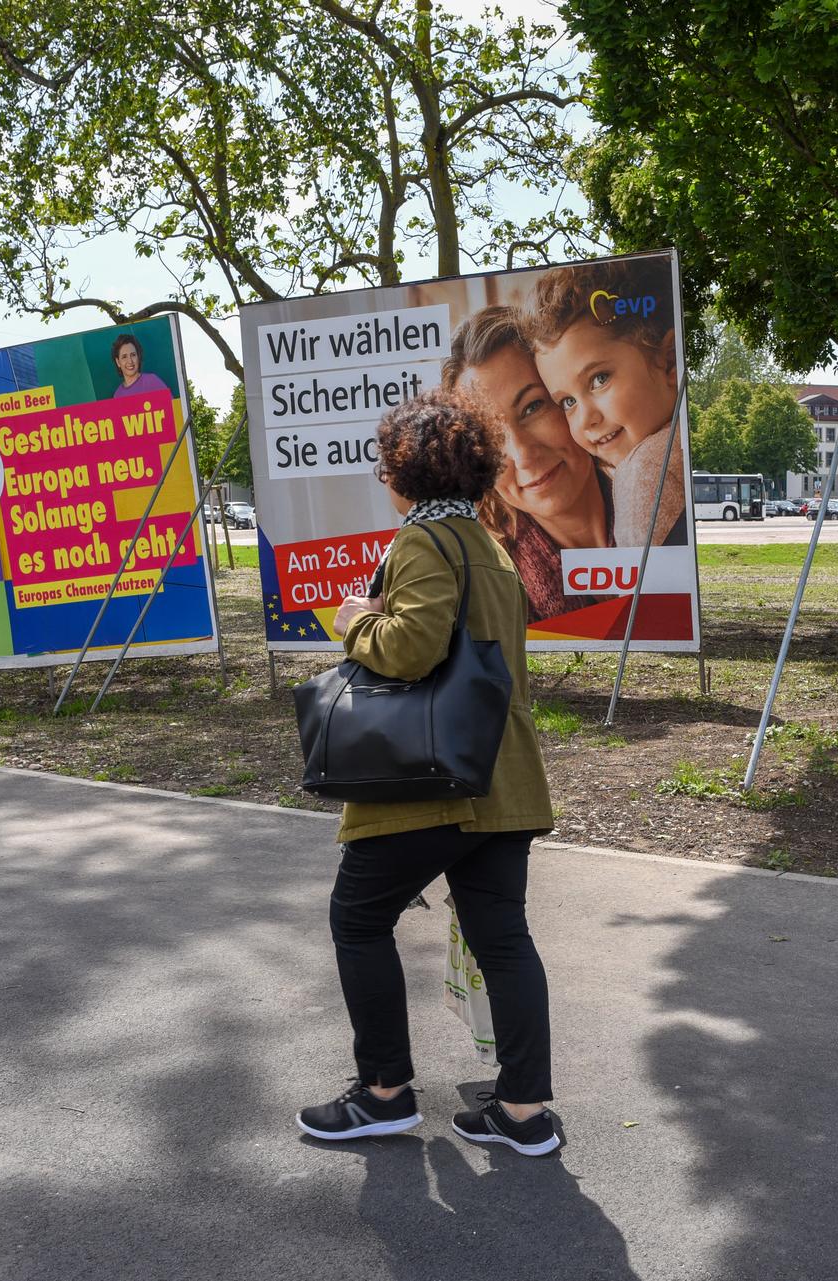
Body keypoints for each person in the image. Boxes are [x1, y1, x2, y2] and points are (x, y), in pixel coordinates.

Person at [296, 390, 562, 1157]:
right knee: (502, 938)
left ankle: (382, 1093)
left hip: (426, 783)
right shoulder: (489, 544)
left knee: (357, 919)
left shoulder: (422, 544)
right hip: (499, 777)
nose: (384, 478)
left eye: (387, 465)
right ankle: (521, 1111)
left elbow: (410, 649)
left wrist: (352, 619)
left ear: (404, 471)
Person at [441, 306, 611, 623]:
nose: (522, 455)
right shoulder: (484, 588)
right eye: (489, 437)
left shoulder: (652, 501)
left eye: (533, 407)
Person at [521, 259, 689, 549]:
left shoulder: (645, 472)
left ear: (670, 360)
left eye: (599, 379)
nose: (586, 420)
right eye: (568, 401)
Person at [111, 333, 170, 398]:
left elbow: (171, 406)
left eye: (133, 355)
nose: (130, 361)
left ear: (138, 357)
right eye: (124, 357)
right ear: (118, 362)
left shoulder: (152, 381)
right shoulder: (118, 395)